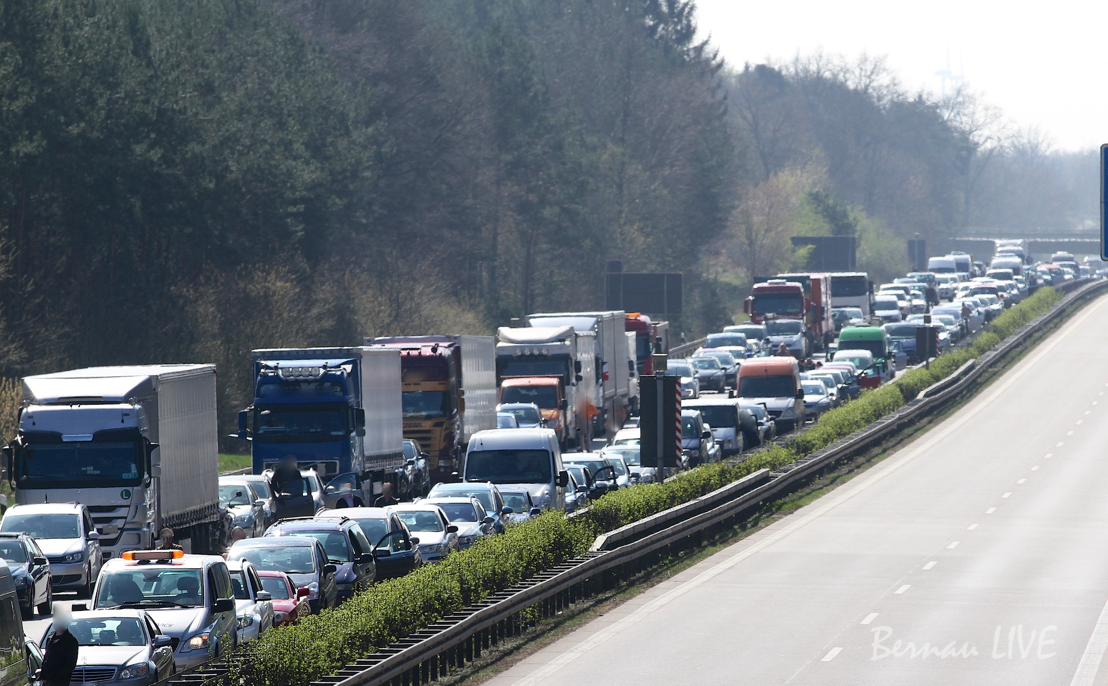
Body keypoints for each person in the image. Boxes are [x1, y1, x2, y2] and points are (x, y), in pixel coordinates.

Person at [40, 609, 79, 686]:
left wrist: (57, 678)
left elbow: (70, 664)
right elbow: (46, 657)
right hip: (46, 681)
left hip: (60, 682)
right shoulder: (50, 637)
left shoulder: (70, 640)